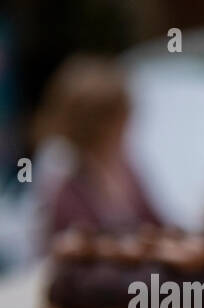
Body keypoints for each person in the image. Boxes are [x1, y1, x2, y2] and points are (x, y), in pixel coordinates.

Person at [35, 56, 161, 236]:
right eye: (121, 122)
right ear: (101, 127)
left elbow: (158, 224)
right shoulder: (63, 180)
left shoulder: (124, 168)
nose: (127, 130)